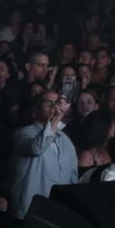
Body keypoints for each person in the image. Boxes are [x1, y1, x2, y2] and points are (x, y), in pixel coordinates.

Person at [9, 92, 78, 220]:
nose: (54, 107)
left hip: (56, 212)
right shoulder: (23, 134)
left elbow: (72, 177)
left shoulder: (66, 140)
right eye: (48, 103)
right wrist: (56, 119)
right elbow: (36, 148)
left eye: (56, 102)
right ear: (35, 109)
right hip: (28, 212)